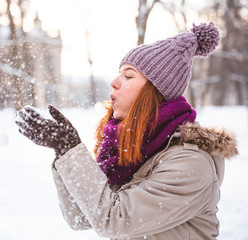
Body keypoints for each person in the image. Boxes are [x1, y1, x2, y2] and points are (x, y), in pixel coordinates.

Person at [15, 22, 238, 239]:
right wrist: (63, 153)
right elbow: (80, 216)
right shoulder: (135, 150)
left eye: (128, 76)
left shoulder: (190, 162)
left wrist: (70, 150)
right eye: (119, 74)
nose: (114, 82)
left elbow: (115, 220)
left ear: (155, 92)